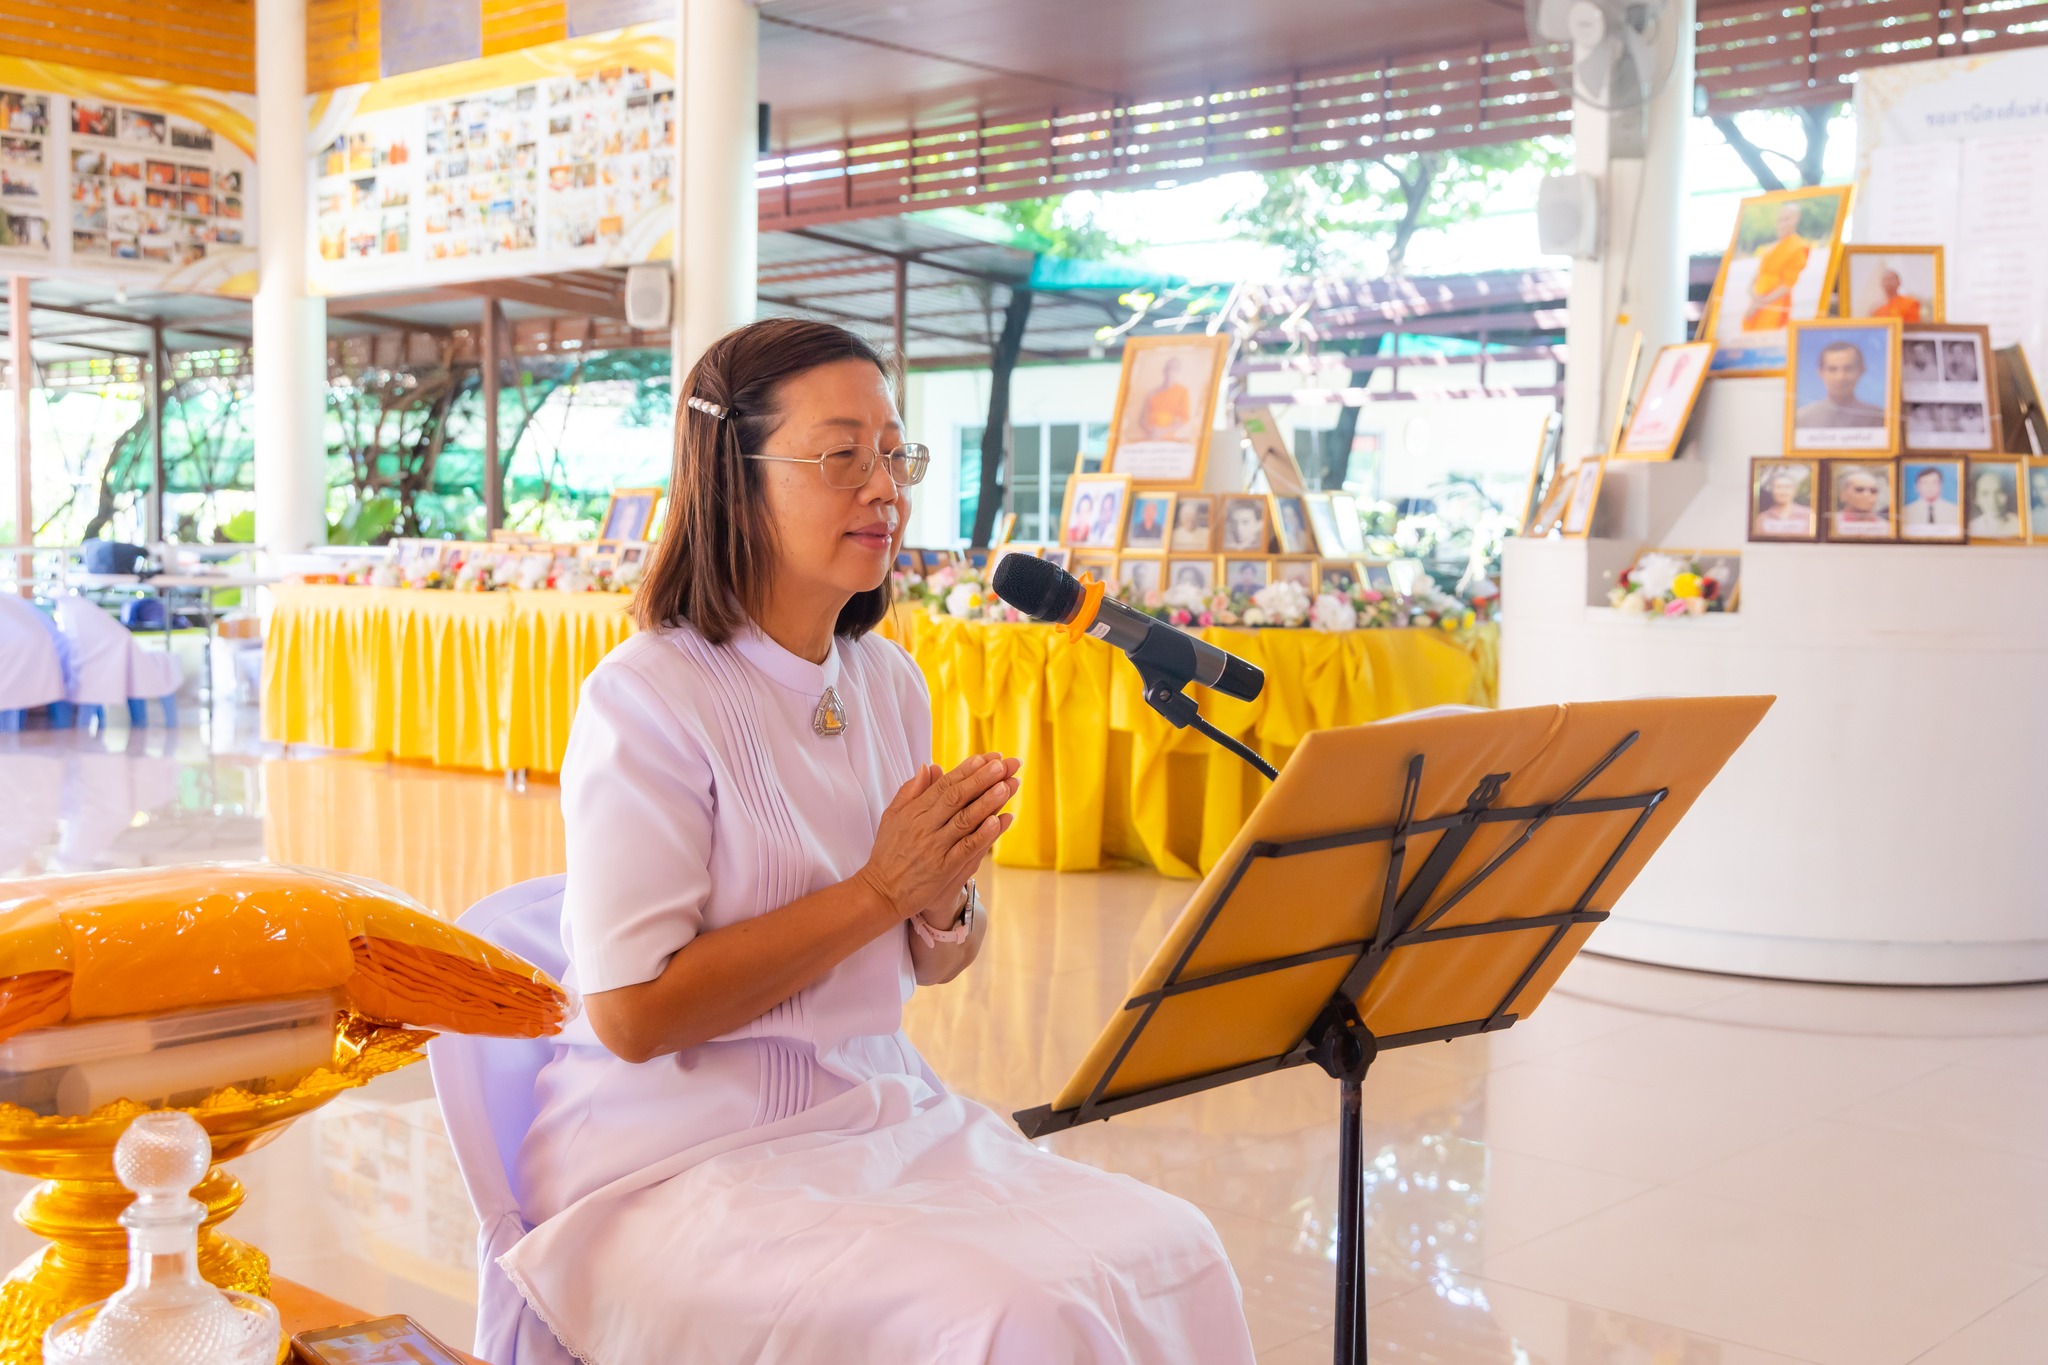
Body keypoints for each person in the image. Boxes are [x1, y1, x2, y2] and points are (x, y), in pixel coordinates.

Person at [504, 319, 1254, 1365]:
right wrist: (876, 888)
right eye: (839, 454)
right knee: (1010, 1315)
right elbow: (631, 1018)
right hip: (675, 1160)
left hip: (871, 1112)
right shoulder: (647, 697)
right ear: (734, 481)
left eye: (893, 453)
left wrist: (941, 899)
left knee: (1175, 1245)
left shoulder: (884, 682)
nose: (883, 487)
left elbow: (928, 956)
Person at [1742, 201, 1811, 331]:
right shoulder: (1770, 248)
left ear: (1796, 219)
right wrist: (1752, 294)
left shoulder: (1798, 247)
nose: (1782, 224)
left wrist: (1761, 303)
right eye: (1780, 220)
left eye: (1786, 219)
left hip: (1774, 303)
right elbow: (1758, 274)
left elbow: (1787, 284)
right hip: (1757, 299)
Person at [1795, 340, 1885, 430]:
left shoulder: (1879, 417)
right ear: (1820, 372)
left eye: (1848, 369)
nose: (1840, 377)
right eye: (1832, 369)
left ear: (1861, 370)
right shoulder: (1802, 418)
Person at [1137, 357, 1190, 440]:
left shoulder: (1182, 391)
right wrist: (1150, 431)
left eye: (1174, 369)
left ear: (1178, 372)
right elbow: (1142, 419)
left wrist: (1162, 431)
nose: (1170, 372)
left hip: (1168, 438)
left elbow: (1184, 419)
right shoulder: (1152, 393)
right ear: (1164, 370)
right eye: (1168, 368)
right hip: (1149, 436)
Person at [1900, 465, 1959, 538]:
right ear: (1917, 486)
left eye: (1934, 482)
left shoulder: (1955, 511)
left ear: (1941, 485)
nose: (1930, 487)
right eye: (1925, 483)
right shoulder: (1905, 511)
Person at [1754, 464, 1814, 536]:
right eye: (1779, 487)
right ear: (1772, 490)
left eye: (1787, 487)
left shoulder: (1808, 514)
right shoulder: (1762, 518)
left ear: (1794, 490)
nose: (1783, 491)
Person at [1831, 465, 1891, 537]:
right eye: (1859, 489)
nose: (1867, 495)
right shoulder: (1831, 524)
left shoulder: (1886, 528)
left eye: (1873, 491)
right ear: (1843, 494)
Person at [1968, 465, 2021, 538]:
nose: (1993, 500)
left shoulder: (2019, 525)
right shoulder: (1972, 528)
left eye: (1998, 492)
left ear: (2007, 495)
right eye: (1985, 493)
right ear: (1976, 499)